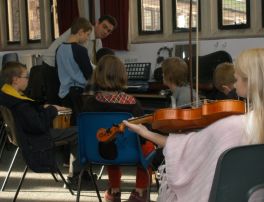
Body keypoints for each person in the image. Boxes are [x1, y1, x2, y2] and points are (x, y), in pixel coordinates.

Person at [124, 48, 264, 202]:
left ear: (251, 82)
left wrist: (146, 133)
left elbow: (185, 149)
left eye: (237, 79)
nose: (235, 84)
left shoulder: (233, 126)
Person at [0, 62, 94, 190]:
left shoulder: (6, 95)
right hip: (34, 138)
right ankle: (77, 176)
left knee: (75, 131)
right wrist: (52, 110)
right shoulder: (19, 104)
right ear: (15, 80)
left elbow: (28, 112)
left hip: (20, 136)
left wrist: (41, 107)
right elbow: (38, 125)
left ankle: (81, 173)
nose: (28, 80)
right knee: (79, 132)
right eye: (26, 77)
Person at [82, 55, 155, 202]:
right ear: (122, 75)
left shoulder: (89, 104)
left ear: (98, 75)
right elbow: (143, 136)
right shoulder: (133, 104)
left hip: (99, 153)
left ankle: (114, 190)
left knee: (109, 142)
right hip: (130, 152)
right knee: (149, 146)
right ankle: (140, 192)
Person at [56, 17, 93, 126]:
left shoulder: (59, 49)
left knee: (69, 124)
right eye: (87, 35)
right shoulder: (80, 50)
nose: (87, 38)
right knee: (79, 123)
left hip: (63, 92)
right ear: (80, 32)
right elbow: (89, 74)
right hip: (77, 93)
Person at [43, 15, 117, 67]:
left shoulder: (98, 42)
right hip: (51, 63)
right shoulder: (83, 31)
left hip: (65, 67)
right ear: (97, 23)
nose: (105, 32)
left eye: (109, 31)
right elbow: (79, 60)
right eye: (104, 27)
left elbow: (93, 61)